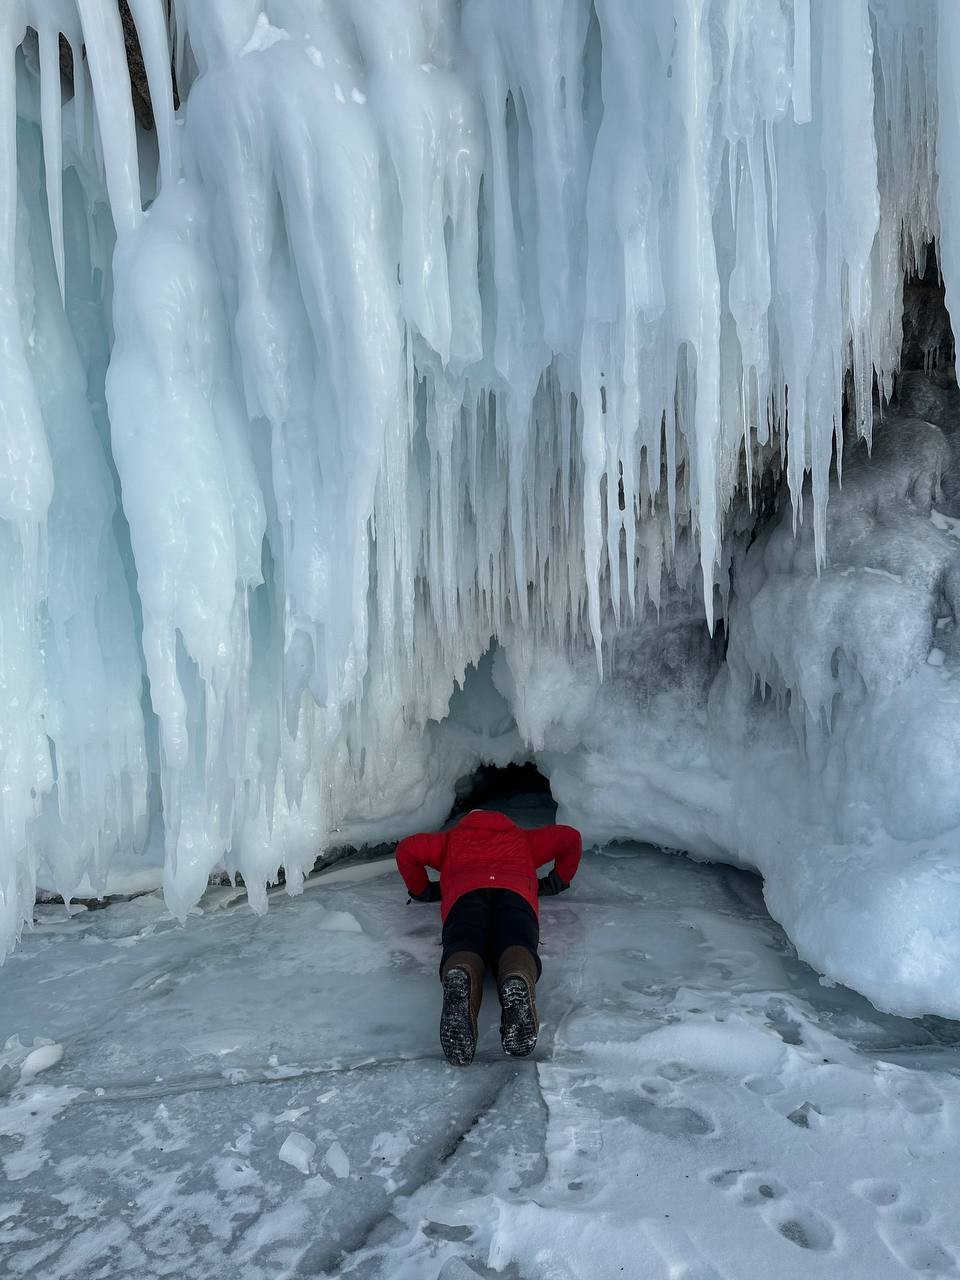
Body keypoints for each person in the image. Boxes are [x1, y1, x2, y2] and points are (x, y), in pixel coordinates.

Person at [395, 808, 582, 1066]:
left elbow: (407, 849)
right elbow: (569, 838)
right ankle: (516, 976)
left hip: (465, 893)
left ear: (466, 822)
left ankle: (462, 975)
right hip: (514, 891)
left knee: (464, 940)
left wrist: (423, 890)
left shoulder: (450, 841)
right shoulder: (523, 839)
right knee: (516, 938)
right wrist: (557, 881)